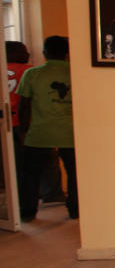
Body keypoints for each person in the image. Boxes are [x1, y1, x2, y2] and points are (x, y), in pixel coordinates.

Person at [16, 36, 77, 220]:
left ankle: (27, 212)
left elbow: (24, 104)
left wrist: (24, 130)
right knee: (75, 173)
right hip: (70, 133)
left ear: (45, 53)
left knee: (30, 174)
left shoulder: (33, 74)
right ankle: (75, 210)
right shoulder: (76, 73)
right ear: (67, 53)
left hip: (40, 133)